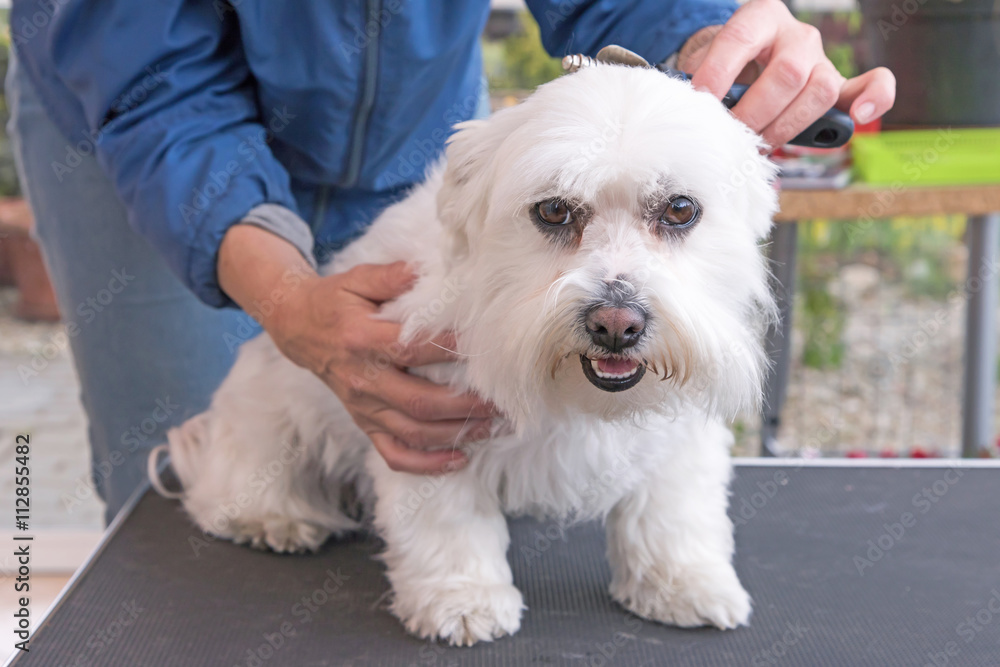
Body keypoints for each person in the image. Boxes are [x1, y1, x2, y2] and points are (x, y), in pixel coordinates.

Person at [8, 0, 894, 524]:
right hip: (144, 127)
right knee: (198, 507)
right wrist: (285, 297)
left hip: (419, 124)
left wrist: (700, 34)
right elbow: (147, 70)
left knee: (436, 438)